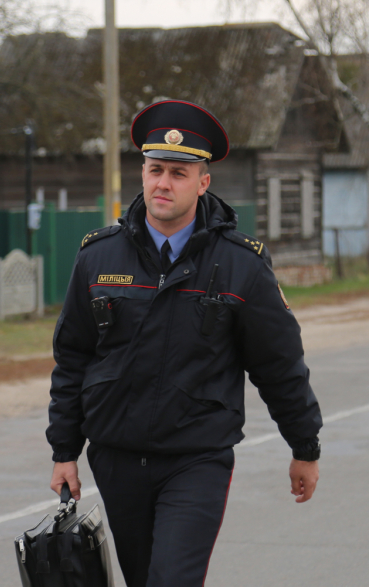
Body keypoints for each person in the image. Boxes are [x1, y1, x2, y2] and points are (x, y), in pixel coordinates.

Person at [46, 99, 323, 587]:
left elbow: (279, 365)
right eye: (156, 170)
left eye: (178, 172)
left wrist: (304, 446)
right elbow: (73, 357)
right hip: (117, 456)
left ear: (203, 181)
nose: (163, 183)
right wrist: (64, 449)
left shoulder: (242, 265)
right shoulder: (97, 257)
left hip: (197, 458)